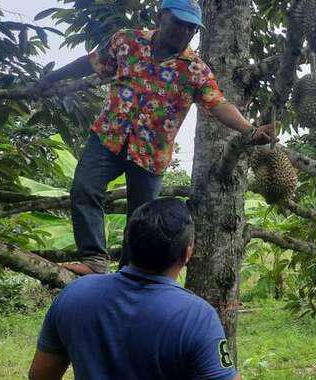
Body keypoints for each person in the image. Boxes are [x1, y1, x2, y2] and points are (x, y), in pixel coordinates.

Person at [35, 0, 277, 275]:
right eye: (179, 23)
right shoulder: (126, 41)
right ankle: (94, 260)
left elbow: (218, 103)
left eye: (191, 28)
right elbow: (92, 62)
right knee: (84, 190)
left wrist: (250, 130)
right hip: (108, 136)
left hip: (151, 153)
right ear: (160, 17)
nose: (184, 32)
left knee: (142, 220)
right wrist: (53, 77)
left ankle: (130, 273)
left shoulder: (195, 70)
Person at [28, 197, 243, 380]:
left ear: (129, 242)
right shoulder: (196, 315)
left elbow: (41, 376)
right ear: (187, 253)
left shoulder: (74, 295)